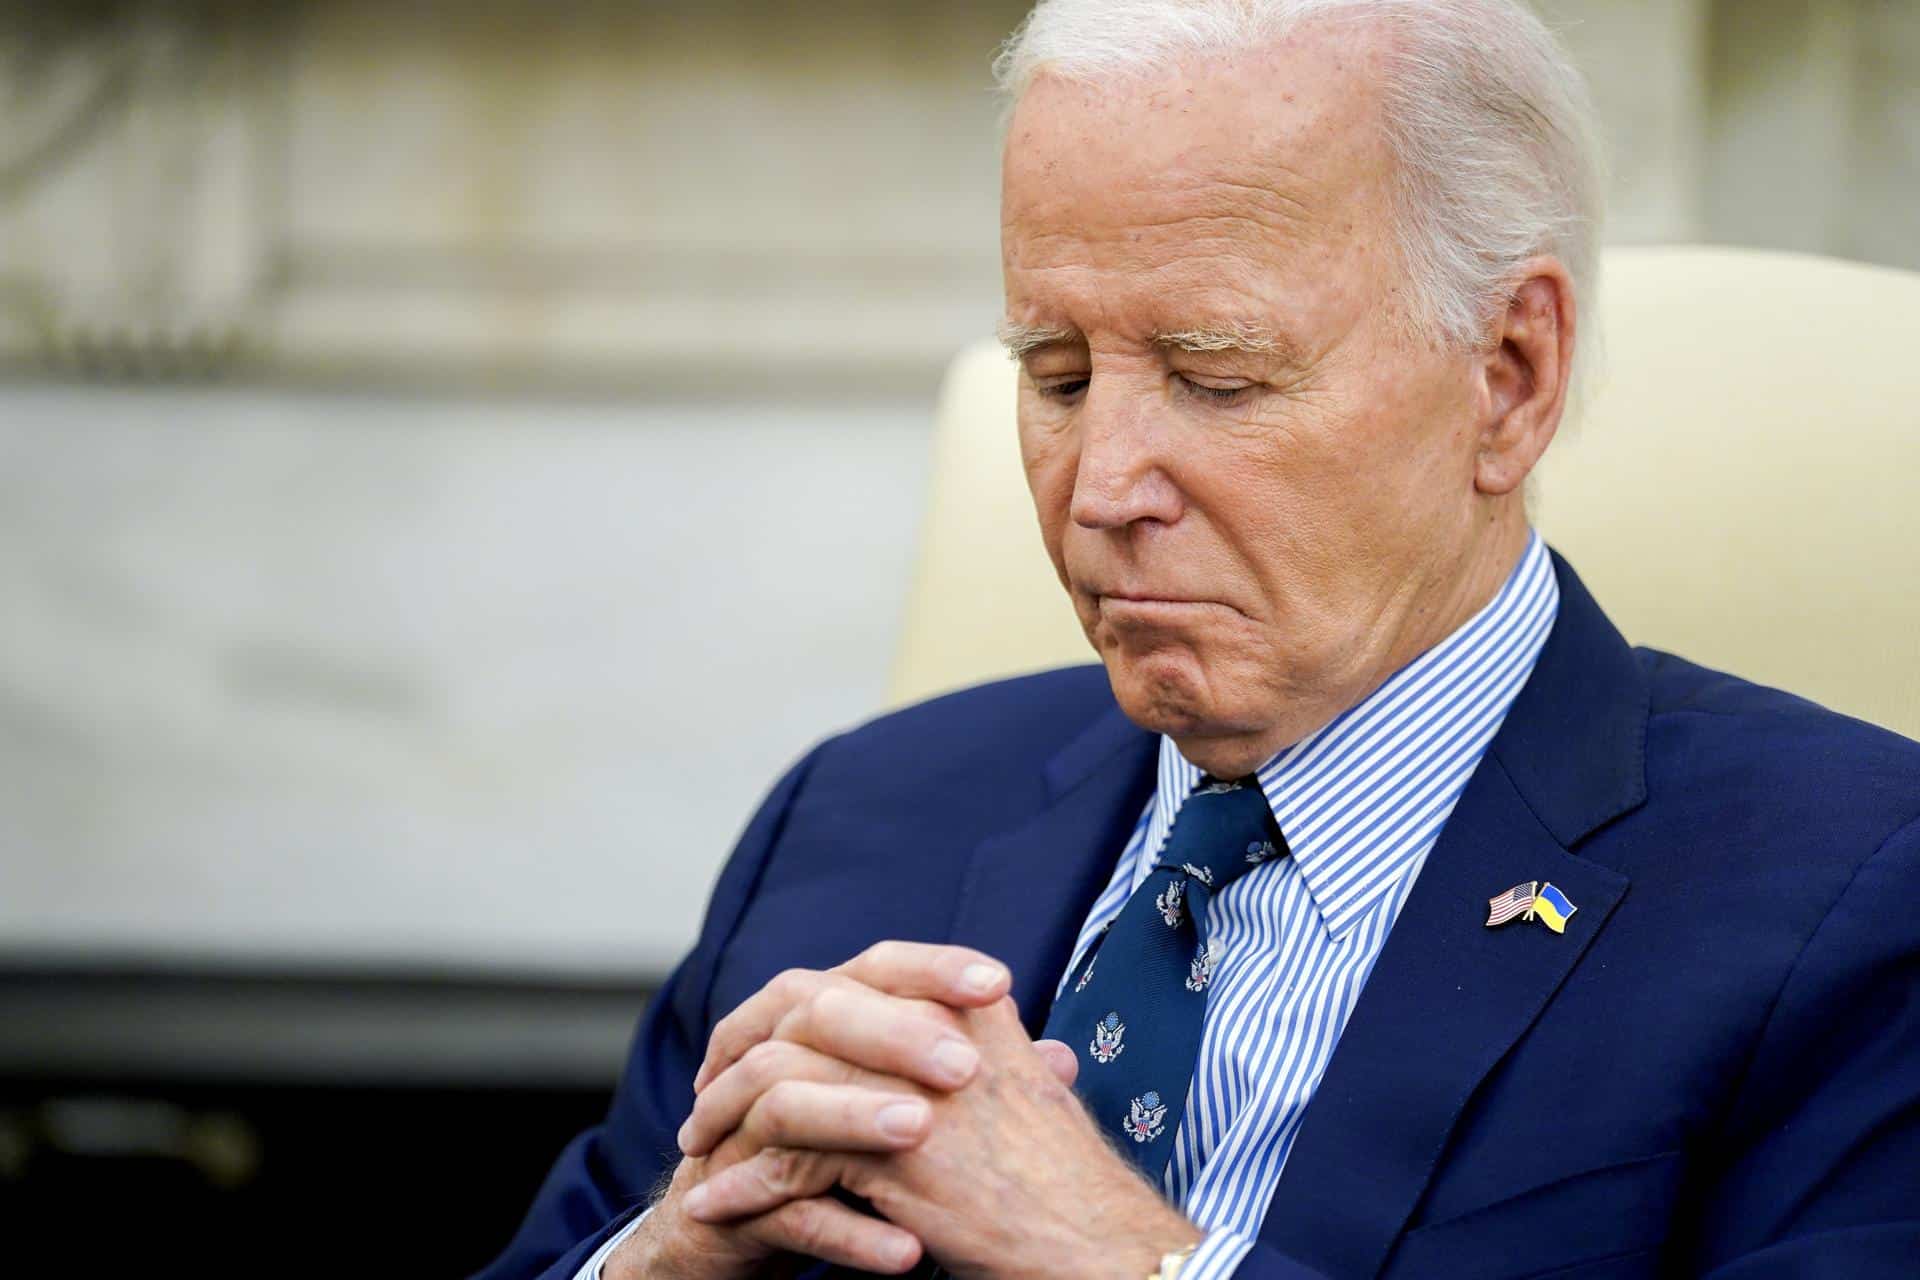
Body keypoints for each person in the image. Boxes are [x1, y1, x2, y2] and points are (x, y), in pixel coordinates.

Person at [477, 2, 1920, 1277]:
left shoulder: (1857, 899)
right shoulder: (854, 818)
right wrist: (665, 1262)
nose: (1101, 489)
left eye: (1216, 379)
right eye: (1054, 375)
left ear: (1507, 375)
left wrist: (1123, 1259)